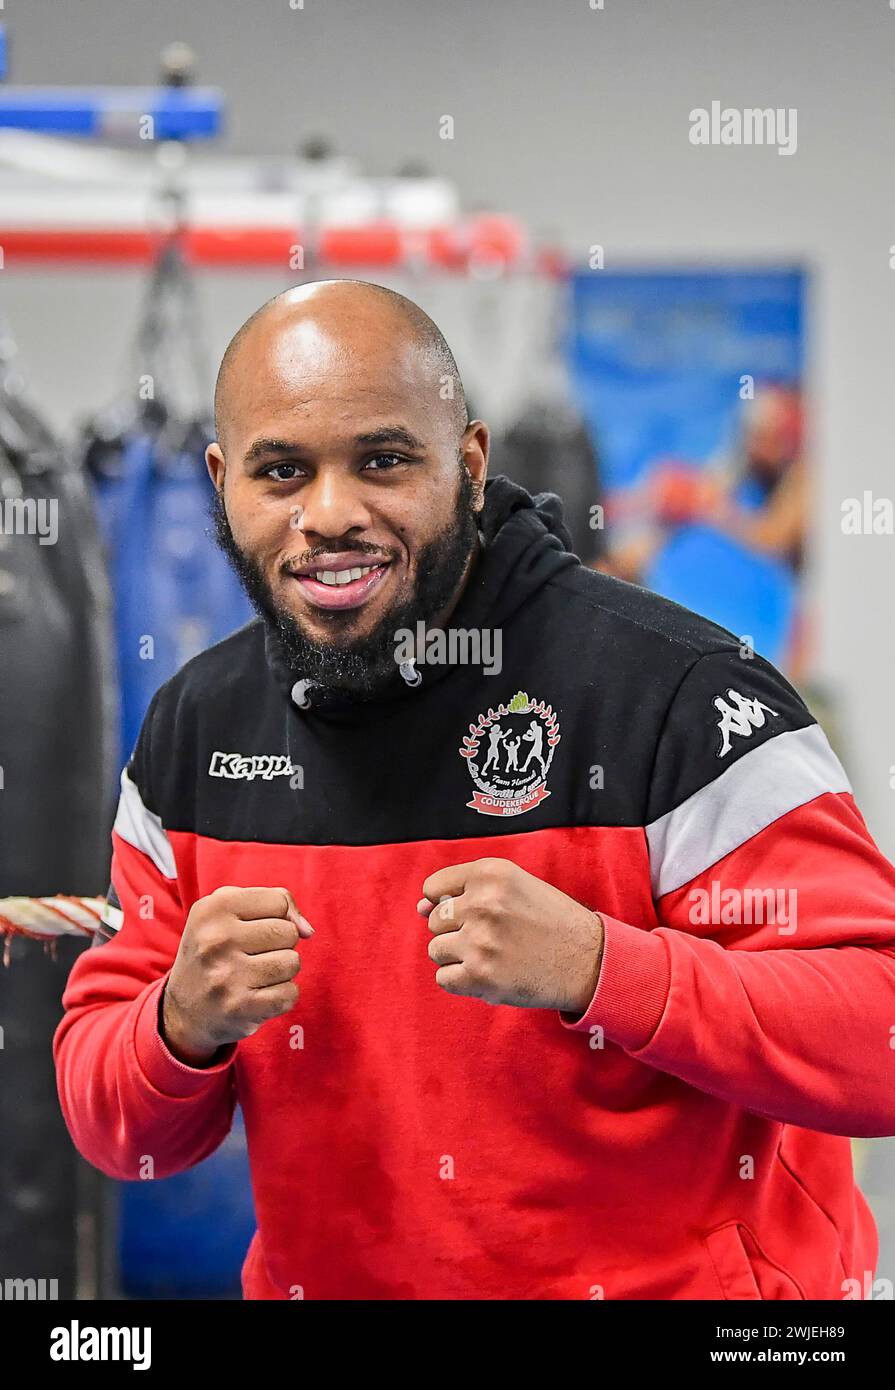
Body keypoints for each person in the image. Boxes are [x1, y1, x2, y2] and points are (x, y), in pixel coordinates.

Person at [54, 280, 895, 1300]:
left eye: (382, 460)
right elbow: (115, 1128)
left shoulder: (673, 693)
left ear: (469, 462)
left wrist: (607, 967)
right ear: (223, 482)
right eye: (283, 472)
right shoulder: (197, 728)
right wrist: (179, 1023)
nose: (330, 514)